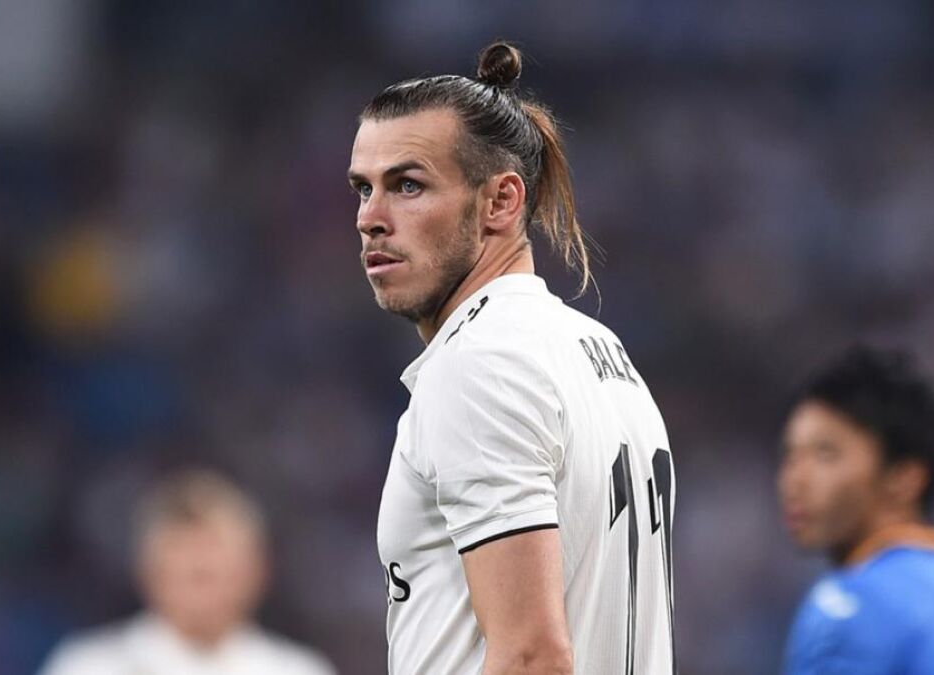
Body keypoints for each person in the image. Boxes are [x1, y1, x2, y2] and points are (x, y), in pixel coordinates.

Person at [349, 41, 676, 674]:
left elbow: (531, 656)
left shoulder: (479, 364)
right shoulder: (601, 352)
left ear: (500, 201)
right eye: (364, 189)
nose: (371, 218)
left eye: (408, 185)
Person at [777, 346, 934, 674]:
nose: (794, 480)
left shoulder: (848, 605)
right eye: (790, 456)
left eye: (826, 454)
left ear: (904, 478)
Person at [39, 468, 336, 675]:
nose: (200, 564)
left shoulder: (298, 670)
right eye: (185, 562)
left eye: (214, 560)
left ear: (256, 571)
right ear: (148, 571)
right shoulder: (89, 667)